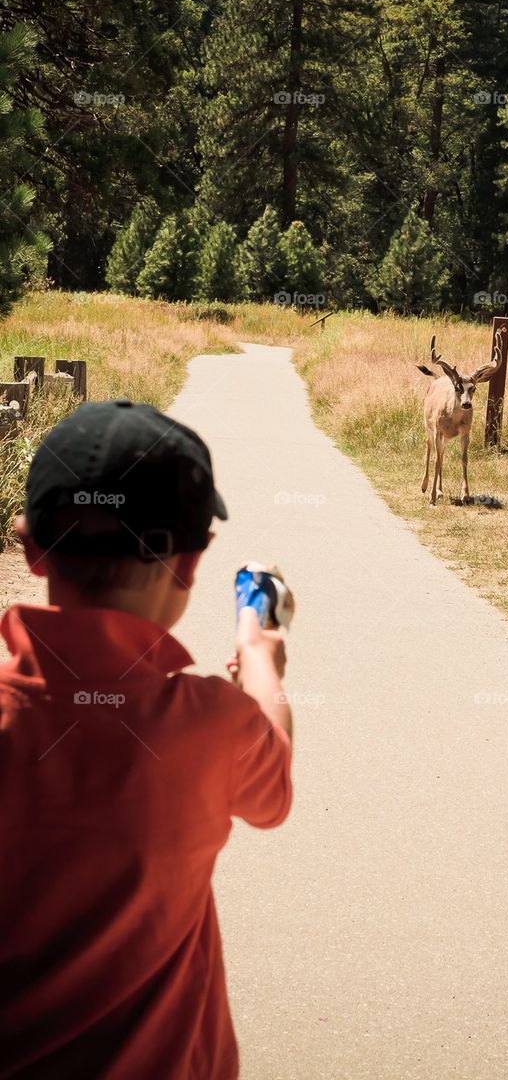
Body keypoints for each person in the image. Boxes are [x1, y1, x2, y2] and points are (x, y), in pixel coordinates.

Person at [0, 399, 293, 1079]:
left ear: (31, 548)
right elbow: (272, 792)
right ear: (191, 562)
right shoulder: (213, 723)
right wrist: (260, 655)